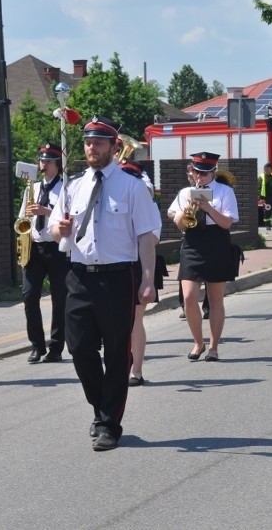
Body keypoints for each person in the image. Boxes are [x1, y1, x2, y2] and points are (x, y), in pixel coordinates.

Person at [50, 115, 160, 452]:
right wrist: (61, 230)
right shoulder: (73, 186)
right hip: (79, 275)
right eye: (87, 142)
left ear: (114, 147)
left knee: (116, 353)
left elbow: (146, 235)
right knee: (79, 348)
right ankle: (101, 409)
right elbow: (54, 229)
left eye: (98, 142)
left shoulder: (132, 186)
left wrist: (147, 280)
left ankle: (109, 422)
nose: (91, 148)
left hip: (117, 277)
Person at [174, 151, 239, 363]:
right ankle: (198, 341)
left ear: (212, 172)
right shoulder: (185, 192)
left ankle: (213, 346)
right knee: (189, 297)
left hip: (216, 241)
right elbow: (179, 223)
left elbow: (227, 223)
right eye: (196, 173)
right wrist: (186, 210)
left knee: (215, 298)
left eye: (204, 173)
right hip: (193, 243)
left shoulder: (224, 191)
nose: (199, 177)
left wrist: (208, 207)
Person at [19, 143, 68, 364]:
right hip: (35, 247)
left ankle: (56, 347)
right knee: (29, 297)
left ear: (57, 164)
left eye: (48, 161)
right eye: (41, 161)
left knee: (60, 299)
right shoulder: (34, 188)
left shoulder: (66, 188)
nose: (43, 165)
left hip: (57, 248)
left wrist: (46, 211)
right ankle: (37, 346)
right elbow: (23, 218)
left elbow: (68, 217)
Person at [118, 159, 164, 387]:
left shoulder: (147, 203)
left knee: (135, 319)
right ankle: (118, 367)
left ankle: (136, 370)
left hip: (138, 263)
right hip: (114, 263)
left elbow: (153, 238)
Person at [168, 163, 209, 320]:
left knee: (210, 277)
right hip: (191, 237)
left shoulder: (215, 190)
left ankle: (208, 307)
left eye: (196, 173)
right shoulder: (185, 192)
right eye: (191, 174)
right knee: (186, 276)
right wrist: (184, 213)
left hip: (209, 236)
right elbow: (170, 212)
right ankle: (186, 306)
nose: (193, 177)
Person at [258, 162, 272, 227]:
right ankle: (267, 225)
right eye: (266, 169)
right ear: (264, 169)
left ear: (271, 169)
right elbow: (258, 188)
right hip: (266, 198)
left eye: (269, 169)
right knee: (267, 212)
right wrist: (261, 198)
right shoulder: (261, 177)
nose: (267, 170)